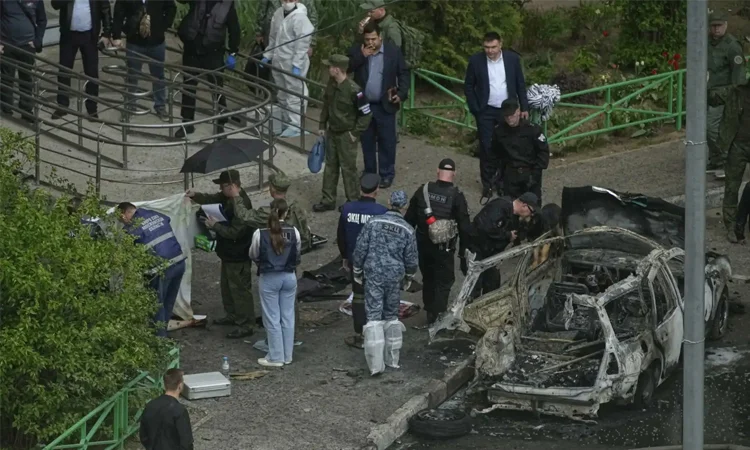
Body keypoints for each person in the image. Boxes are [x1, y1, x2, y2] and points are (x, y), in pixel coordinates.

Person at [352, 190, 417, 375]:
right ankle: (392, 359)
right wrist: (409, 277)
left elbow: (360, 248)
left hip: (373, 274)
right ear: (404, 207)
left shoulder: (373, 222)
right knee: (391, 315)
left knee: (373, 316)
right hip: (394, 277)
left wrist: (357, 270)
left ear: (389, 202)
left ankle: (375, 365)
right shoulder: (408, 229)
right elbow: (411, 259)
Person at [186, 169, 256, 338]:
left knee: (240, 291)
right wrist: (196, 196)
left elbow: (235, 232)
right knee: (227, 288)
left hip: (238, 254)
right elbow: (212, 199)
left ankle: (245, 324)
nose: (220, 190)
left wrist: (215, 226)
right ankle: (232, 315)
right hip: (228, 253)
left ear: (231, 186)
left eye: (223, 186)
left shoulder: (242, 205)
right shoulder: (227, 197)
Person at [404, 158, 470, 325]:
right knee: (444, 281)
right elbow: (464, 227)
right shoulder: (457, 196)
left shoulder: (422, 190)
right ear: (454, 174)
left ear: (437, 171)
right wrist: (463, 253)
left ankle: (429, 312)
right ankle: (438, 316)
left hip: (423, 245)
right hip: (444, 249)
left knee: (428, 278)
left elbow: (408, 221)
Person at [464, 31, 528, 200]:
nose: (490, 51)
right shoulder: (476, 61)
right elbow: (468, 86)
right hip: (485, 110)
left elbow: (520, 84)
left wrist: (524, 106)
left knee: (506, 147)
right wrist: (475, 108)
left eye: (493, 47)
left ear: (500, 44)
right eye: (486, 47)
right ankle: (488, 184)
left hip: (506, 110)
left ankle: (501, 183)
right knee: (486, 148)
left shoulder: (512, 59)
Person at [348, 22, 409, 188]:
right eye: (367, 39)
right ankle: (369, 172)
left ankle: (386, 174)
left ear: (380, 37)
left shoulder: (392, 52)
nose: (370, 43)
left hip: (385, 104)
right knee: (366, 140)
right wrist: (362, 56)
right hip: (365, 104)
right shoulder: (358, 50)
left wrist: (401, 94)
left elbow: (403, 73)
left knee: (386, 141)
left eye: (373, 39)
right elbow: (347, 68)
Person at [313, 54, 372, 212]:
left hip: (346, 134)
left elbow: (366, 114)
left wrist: (355, 133)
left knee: (348, 169)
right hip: (332, 132)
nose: (328, 69)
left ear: (337, 69)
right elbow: (327, 105)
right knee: (330, 167)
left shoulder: (355, 90)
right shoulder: (331, 85)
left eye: (330, 66)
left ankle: (353, 201)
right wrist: (322, 124)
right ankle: (328, 199)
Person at [117, 202, 186, 336]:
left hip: (160, 269)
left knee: (155, 306)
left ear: (123, 215)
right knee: (168, 302)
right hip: (179, 261)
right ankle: (163, 335)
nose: (122, 223)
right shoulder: (154, 214)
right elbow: (167, 220)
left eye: (121, 220)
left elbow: (128, 255)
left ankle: (159, 340)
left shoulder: (130, 228)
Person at [175, 0, 241, 138]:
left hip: (213, 52)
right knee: (188, 86)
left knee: (217, 89)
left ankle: (220, 124)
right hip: (192, 49)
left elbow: (234, 29)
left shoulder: (228, 5)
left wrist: (233, 52)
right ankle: (187, 123)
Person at [248, 199, 301, 367]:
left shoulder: (260, 233)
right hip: (289, 276)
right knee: (288, 316)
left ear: (270, 210)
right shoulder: (294, 231)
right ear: (287, 213)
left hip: (269, 276)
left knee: (272, 317)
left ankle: (276, 356)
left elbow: (253, 254)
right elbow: (297, 253)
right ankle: (287, 355)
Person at [338, 173, 388, 348]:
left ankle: (360, 334)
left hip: (356, 262)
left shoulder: (347, 209)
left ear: (360, 188)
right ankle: (376, 334)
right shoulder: (382, 212)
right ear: (377, 190)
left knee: (358, 297)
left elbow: (341, 236)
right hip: (376, 264)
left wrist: (345, 257)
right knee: (376, 297)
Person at [111, 0, 177, 121]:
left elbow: (171, 8)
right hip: (134, 42)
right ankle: (130, 106)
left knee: (158, 76)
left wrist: (162, 26)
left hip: (156, 42)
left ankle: (160, 106)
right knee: (132, 75)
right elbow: (118, 13)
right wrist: (116, 36)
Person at [465, 192, 537, 297]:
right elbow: (484, 227)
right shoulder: (499, 207)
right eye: (531, 211)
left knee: (492, 285)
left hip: (492, 253)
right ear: (524, 206)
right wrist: (507, 235)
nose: (530, 215)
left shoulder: (514, 217)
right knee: (474, 285)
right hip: (478, 249)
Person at [50, 0, 112, 121]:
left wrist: (106, 33)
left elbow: (105, 9)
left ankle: (92, 109)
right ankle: (62, 106)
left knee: (92, 73)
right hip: (68, 36)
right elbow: (55, 4)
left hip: (89, 36)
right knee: (64, 71)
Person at [261, 0, 314, 138]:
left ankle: (296, 125)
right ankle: (285, 121)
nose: (287, 2)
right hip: (279, 59)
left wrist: (297, 64)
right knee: (282, 92)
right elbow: (273, 37)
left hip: (293, 61)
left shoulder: (300, 17)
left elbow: (303, 43)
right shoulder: (278, 13)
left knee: (294, 93)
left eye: (290, 0)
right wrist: (268, 54)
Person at [707, 12, 745, 179]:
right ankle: (716, 159)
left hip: (724, 95)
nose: (716, 29)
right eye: (713, 25)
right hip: (707, 93)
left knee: (711, 127)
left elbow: (739, 75)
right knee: (705, 128)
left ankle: (725, 161)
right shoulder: (706, 42)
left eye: (719, 25)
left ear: (726, 25)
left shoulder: (732, 46)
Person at [234, 172, 312, 252]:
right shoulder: (295, 204)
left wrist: (236, 196)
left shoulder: (268, 212)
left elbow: (243, 216)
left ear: (272, 189)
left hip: (279, 250)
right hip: (297, 246)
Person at [0, 0, 47, 124]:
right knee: (6, 79)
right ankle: (6, 111)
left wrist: (38, 41)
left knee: (26, 79)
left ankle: (26, 111)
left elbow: (42, 20)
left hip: (27, 46)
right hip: (8, 45)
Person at [493, 99, 550, 201]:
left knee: (532, 206)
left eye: (512, 115)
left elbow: (543, 152)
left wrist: (536, 173)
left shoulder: (532, 130)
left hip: (529, 171)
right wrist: (498, 176)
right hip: (510, 174)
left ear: (518, 112)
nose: (509, 119)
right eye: (506, 116)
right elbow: (495, 154)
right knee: (510, 205)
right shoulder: (499, 131)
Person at [721, 81, 750, 243]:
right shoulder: (738, 92)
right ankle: (731, 225)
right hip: (737, 145)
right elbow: (714, 97)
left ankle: (741, 222)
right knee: (732, 186)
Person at [139, 368, 194, 450]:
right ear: (180, 385)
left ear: (165, 385)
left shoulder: (150, 406)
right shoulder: (179, 410)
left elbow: (143, 435)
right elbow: (186, 442)